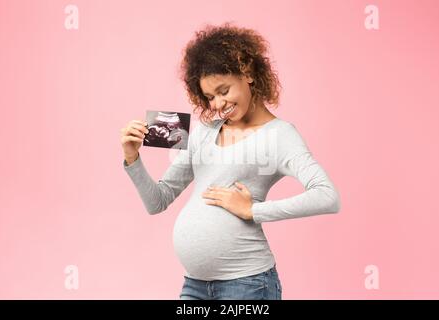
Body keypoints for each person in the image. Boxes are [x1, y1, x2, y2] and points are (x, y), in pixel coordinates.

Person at [120, 23, 341, 300]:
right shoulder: (203, 131)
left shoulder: (281, 134)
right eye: (210, 97)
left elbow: (327, 196)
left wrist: (253, 211)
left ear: (247, 73)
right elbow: (158, 201)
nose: (217, 104)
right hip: (194, 285)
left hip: (248, 285)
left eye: (224, 91)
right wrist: (132, 157)